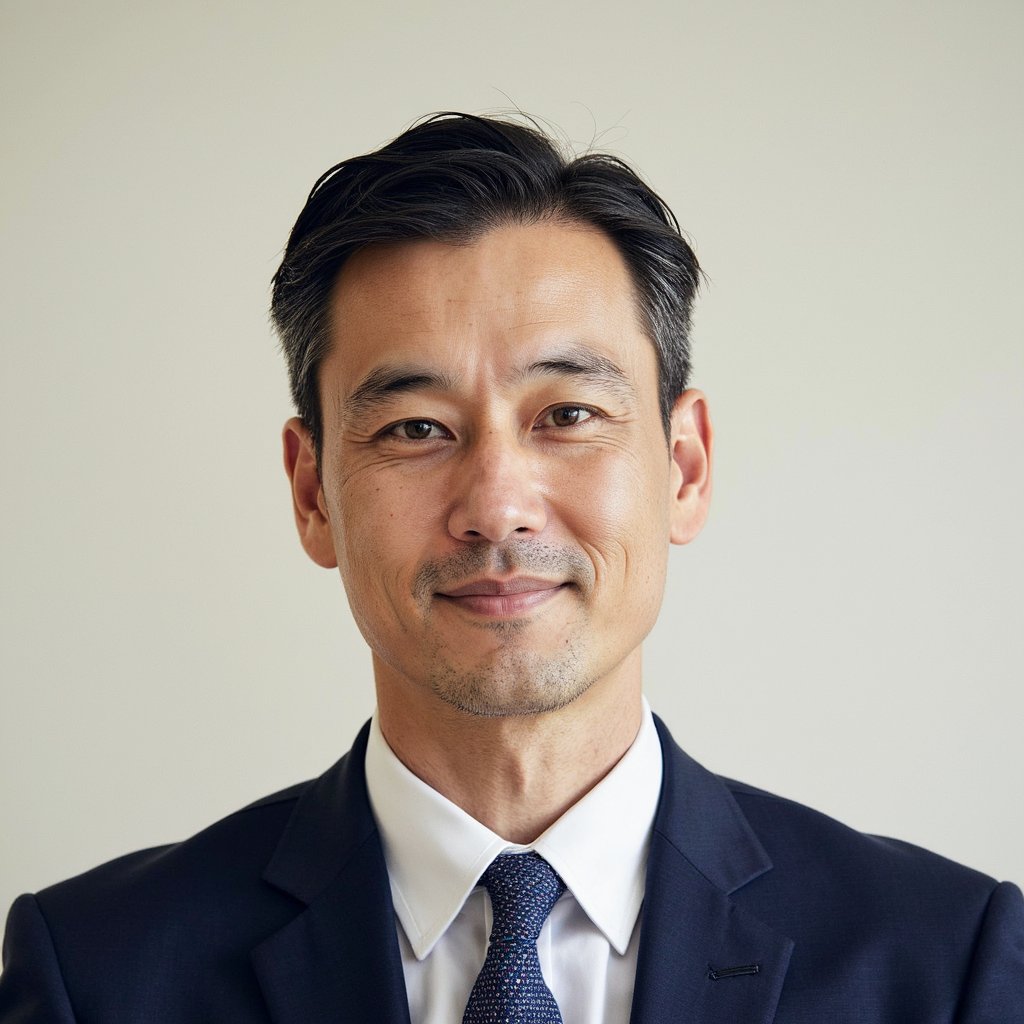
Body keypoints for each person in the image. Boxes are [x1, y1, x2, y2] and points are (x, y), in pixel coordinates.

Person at [1, 112, 1021, 1024]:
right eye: (415, 427)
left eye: (566, 414)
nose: (496, 504)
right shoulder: (98, 973)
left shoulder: (945, 963)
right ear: (312, 493)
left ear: (684, 466)